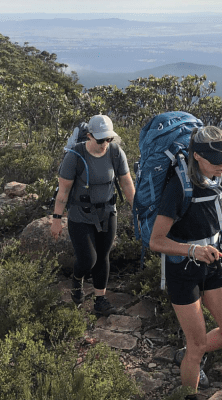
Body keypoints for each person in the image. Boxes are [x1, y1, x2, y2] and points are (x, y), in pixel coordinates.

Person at [149, 126, 222, 398]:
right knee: (196, 344)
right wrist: (193, 251)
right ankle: (189, 390)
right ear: (196, 156)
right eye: (215, 160)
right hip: (182, 270)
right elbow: (156, 241)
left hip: (213, 264)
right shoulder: (179, 187)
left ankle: (188, 354)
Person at [50, 114, 135, 316]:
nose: (105, 143)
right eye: (101, 139)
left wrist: (137, 211)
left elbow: (126, 183)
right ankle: (77, 279)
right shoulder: (75, 156)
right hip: (80, 215)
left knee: (103, 256)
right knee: (88, 259)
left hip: (107, 212)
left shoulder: (115, 152)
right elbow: (63, 191)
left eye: (109, 139)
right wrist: (56, 220)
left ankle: (100, 300)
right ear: (89, 136)